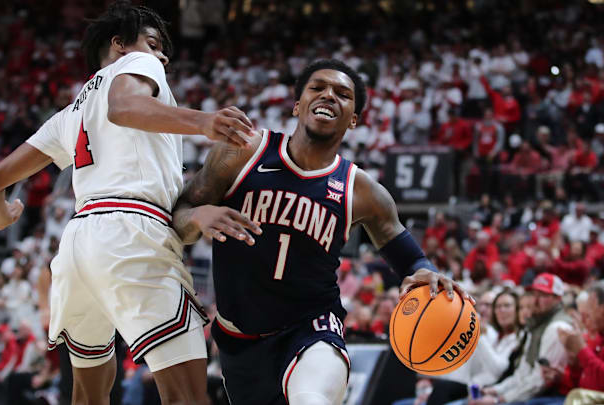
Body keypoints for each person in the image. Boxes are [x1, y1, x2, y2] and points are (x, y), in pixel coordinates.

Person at [0, 2, 256, 404]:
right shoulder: (135, 66)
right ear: (120, 45)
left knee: (88, 397)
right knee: (188, 398)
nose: (161, 57)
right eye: (153, 44)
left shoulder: (70, 112)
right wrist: (203, 122)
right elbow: (124, 108)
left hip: (77, 245)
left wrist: (2, 217)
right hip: (132, 232)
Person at [171, 59, 472, 405]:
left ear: (354, 119)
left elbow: (413, 261)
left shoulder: (362, 192)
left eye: (343, 94)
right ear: (298, 105)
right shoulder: (241, 151)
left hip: (313, 327)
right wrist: (199, 216)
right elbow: (179, 219)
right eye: (318, 88)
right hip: (239, 339)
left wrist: (429, 275)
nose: (329, 95)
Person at [480, 273, 573, 404]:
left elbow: (540, 381)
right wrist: (496, 390)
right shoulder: (536, 325)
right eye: (535, 294)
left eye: (543, 295)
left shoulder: (556, 327)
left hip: (553, 396)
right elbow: (522, 373)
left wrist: (500, 399)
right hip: (533, 394)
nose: (535, 300)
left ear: (557, 299)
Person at [557, 281, 604, 404]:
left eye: (590, 311)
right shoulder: (598, 337)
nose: (584, 320)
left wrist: (582, 350)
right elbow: (582, 385)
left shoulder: (587, 341)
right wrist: (574, 365)